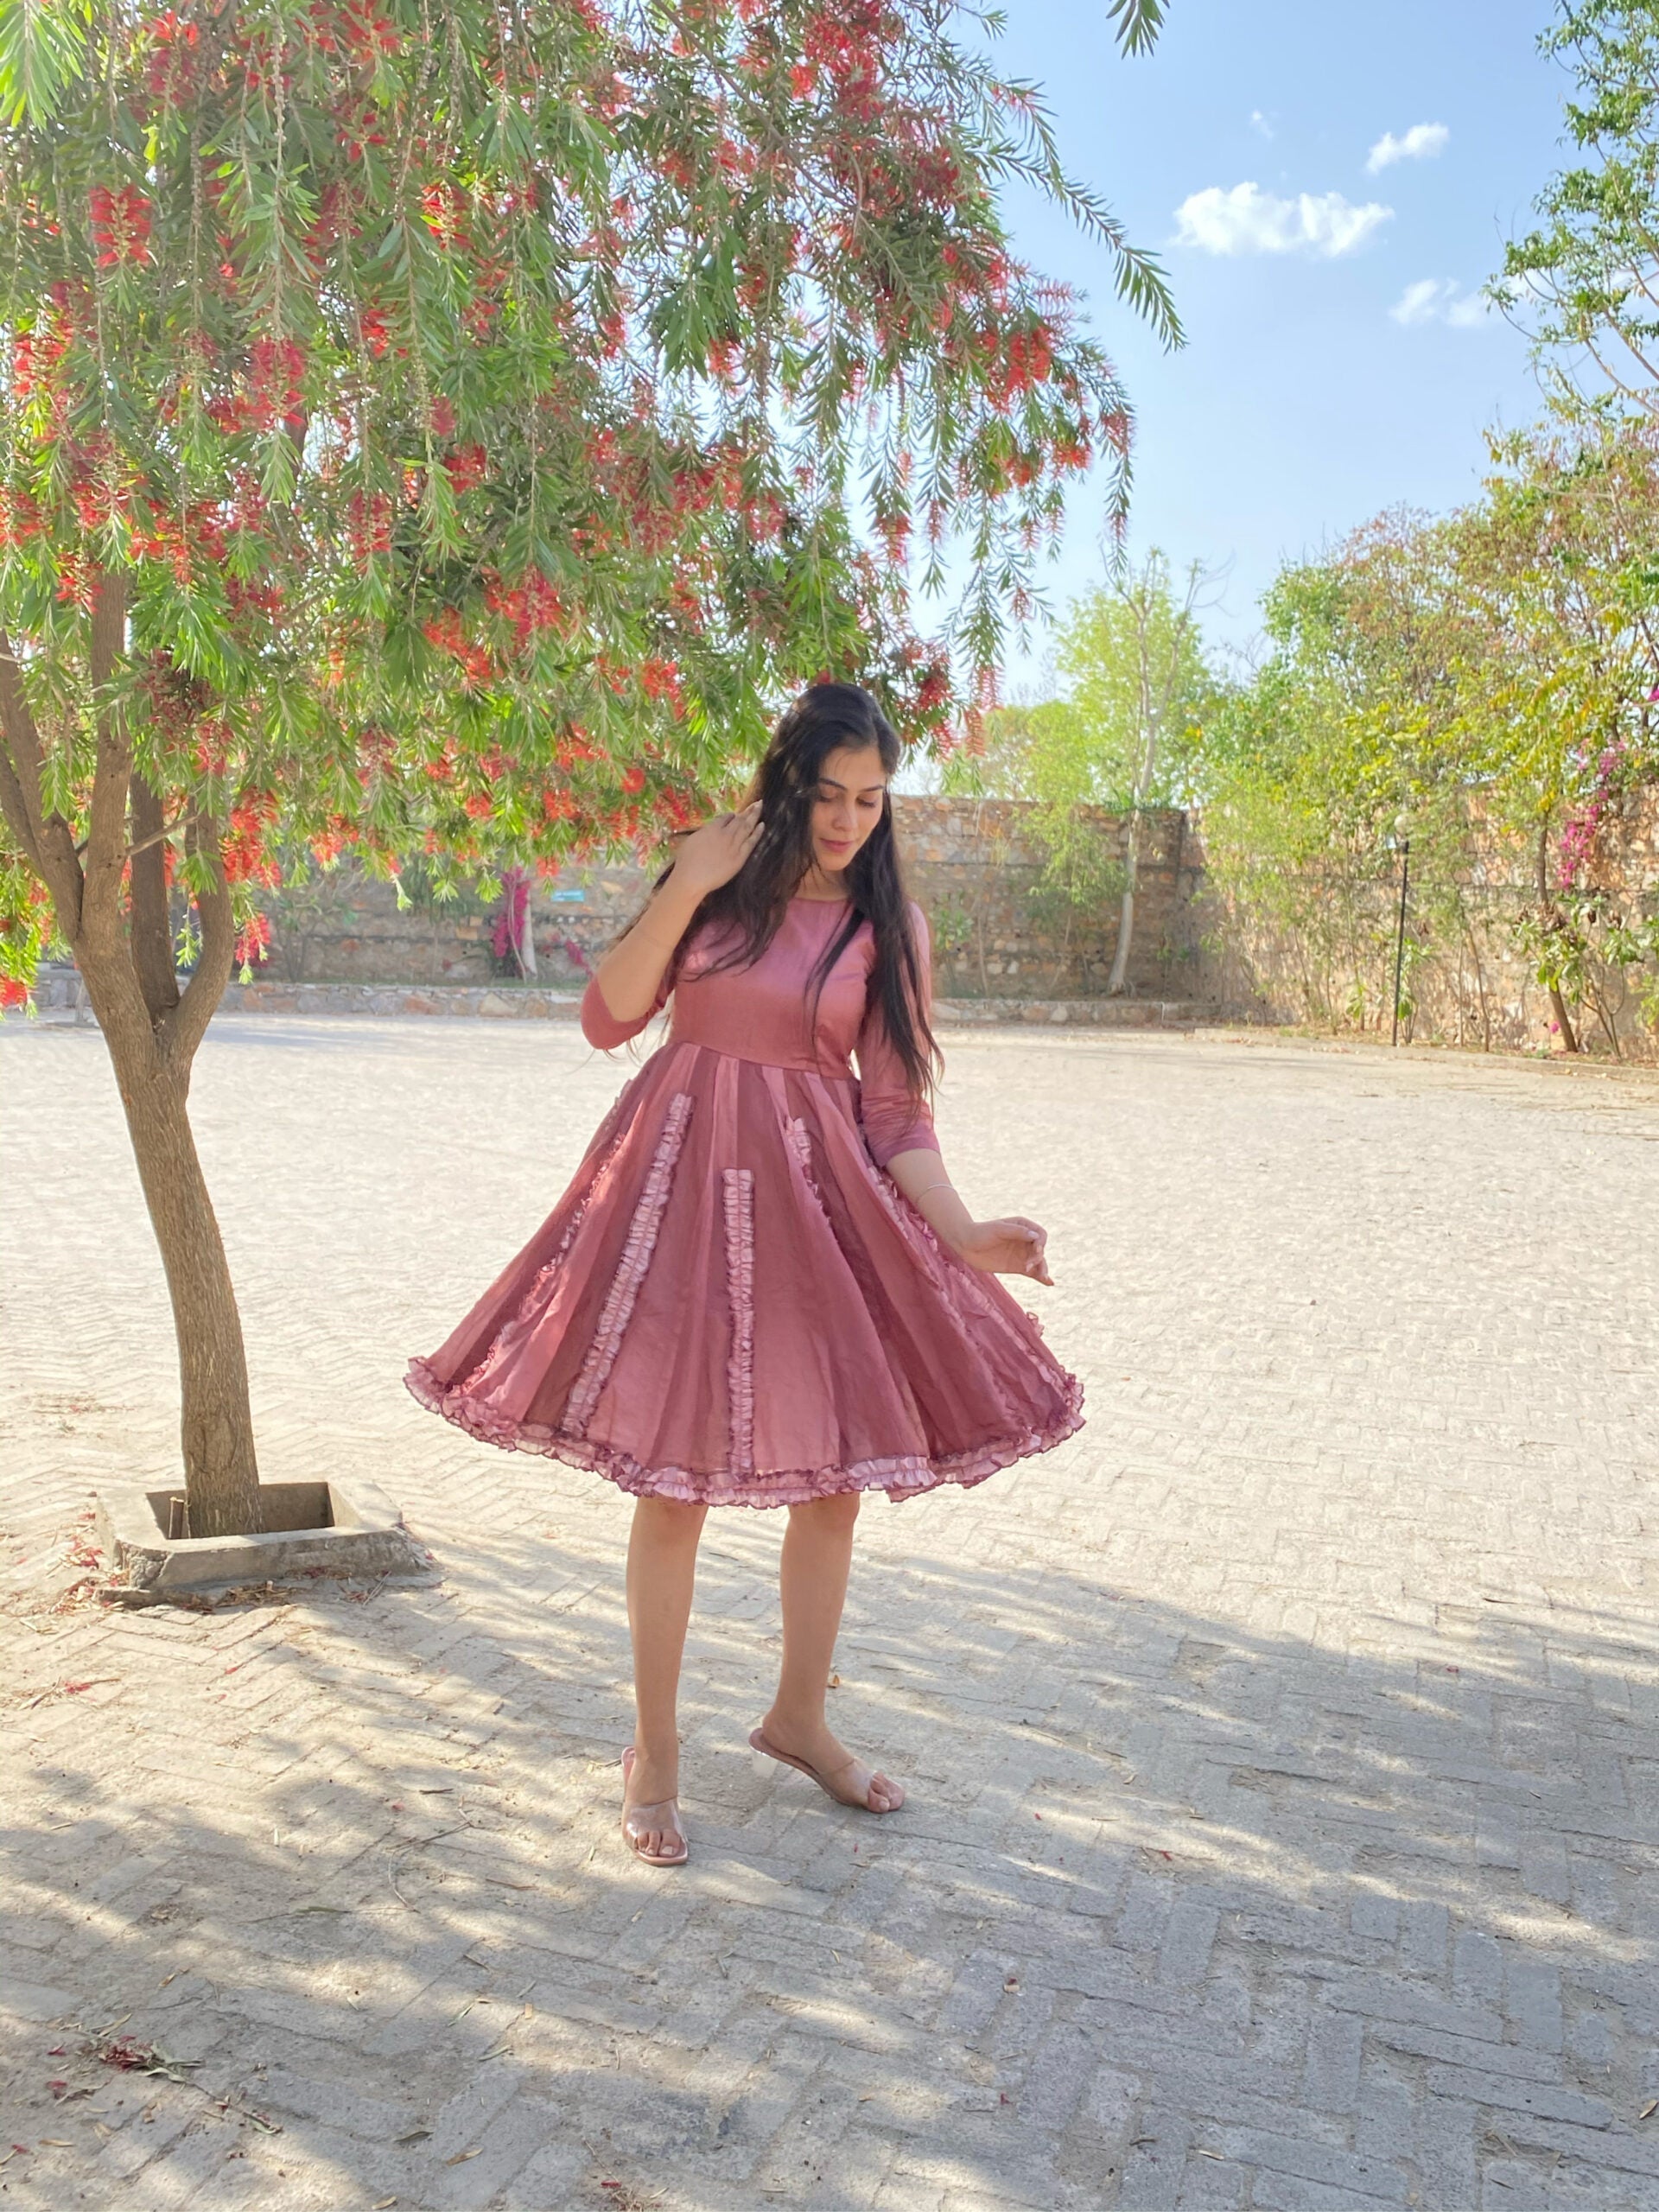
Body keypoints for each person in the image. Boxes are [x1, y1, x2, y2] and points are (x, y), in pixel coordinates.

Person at [407, 683, 1083, 1866]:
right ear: (789, 782)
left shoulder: (890, 929)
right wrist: (684, 883)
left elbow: (893, 1111)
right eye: (828, 794)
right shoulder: (716, 878)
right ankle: (654, 1753)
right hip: (675, 1191)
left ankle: (798, 1719)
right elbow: (608, 1018)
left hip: (820, 1206)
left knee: (833, 1482)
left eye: (871, 800)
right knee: (674, 1483)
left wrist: (967, 1235)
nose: (848, 820)